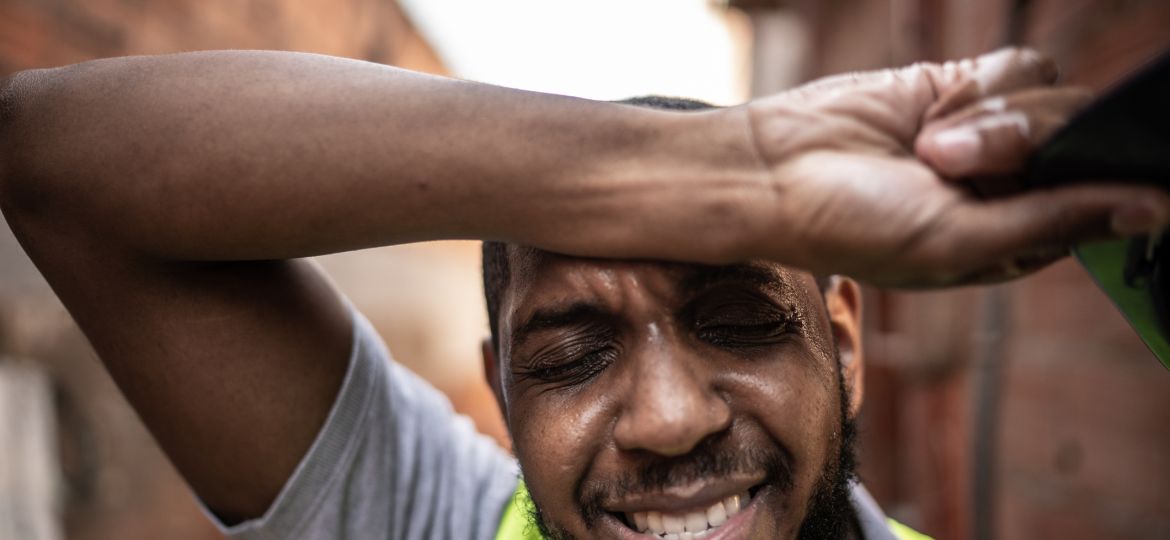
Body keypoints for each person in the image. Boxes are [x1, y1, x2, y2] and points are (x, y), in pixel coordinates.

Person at [0, 48, 1165, 539]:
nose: (668, 418)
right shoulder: (431, 518)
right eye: (568, 355)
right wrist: (732, 173)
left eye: (740, 319)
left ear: (845, 346)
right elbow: (50, 157)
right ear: (498, 389)